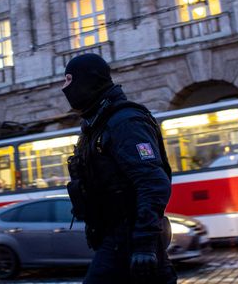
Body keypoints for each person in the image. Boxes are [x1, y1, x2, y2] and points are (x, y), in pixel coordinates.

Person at [63, 53, 177, 284]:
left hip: (129, 237)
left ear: (86, 81)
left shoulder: (124, 122)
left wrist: (144, 243)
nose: (64, 88)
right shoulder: (95, 124)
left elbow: (153, 182)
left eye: (68, 80)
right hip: (116, 238)